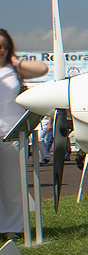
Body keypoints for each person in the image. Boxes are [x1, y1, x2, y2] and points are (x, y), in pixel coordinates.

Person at [1, 30, 48, 240]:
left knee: (13, 183)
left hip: (12, 134)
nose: (0, 50)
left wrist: (15, 61)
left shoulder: (14, 69)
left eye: (3, 46)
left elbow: (42, 68)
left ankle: (12, 229)